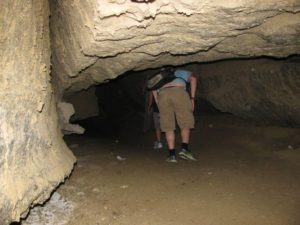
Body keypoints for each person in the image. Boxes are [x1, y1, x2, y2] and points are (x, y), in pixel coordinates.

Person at [152, 67, 197, 163]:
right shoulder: (181, 71)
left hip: (163, 95)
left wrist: (157, 101)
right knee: (185, 122)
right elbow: (193, 79)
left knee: (168, 126)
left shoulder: (160, 74)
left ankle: (172, 155)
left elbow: (153, 87)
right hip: (179, 91)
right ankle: (184, 149)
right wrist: (192, 98)